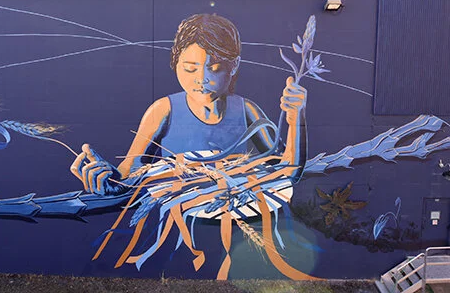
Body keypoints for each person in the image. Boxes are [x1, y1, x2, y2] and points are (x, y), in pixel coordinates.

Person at [70, 13, 307, 195]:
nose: (202, 79)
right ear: (176, 63)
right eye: (190, 68)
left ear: (234, 65)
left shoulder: (247, 111)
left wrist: (296, 118)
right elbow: (128, 174)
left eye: (214, 68)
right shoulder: (163, 111)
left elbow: (287, 173)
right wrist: (109, 180)